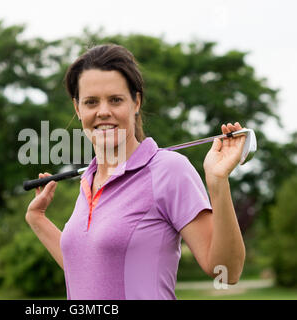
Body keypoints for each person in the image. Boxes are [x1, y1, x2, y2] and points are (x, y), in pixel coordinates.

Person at [25, 44, 246, 300]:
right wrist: (38, 220)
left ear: (136, 102)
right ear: (78, 108)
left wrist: (218, 183)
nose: (103, 111)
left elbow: (227, 272)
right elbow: (90, 270)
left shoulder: (169, 171)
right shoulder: (89, 180)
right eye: (91, 102)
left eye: (116, 100)